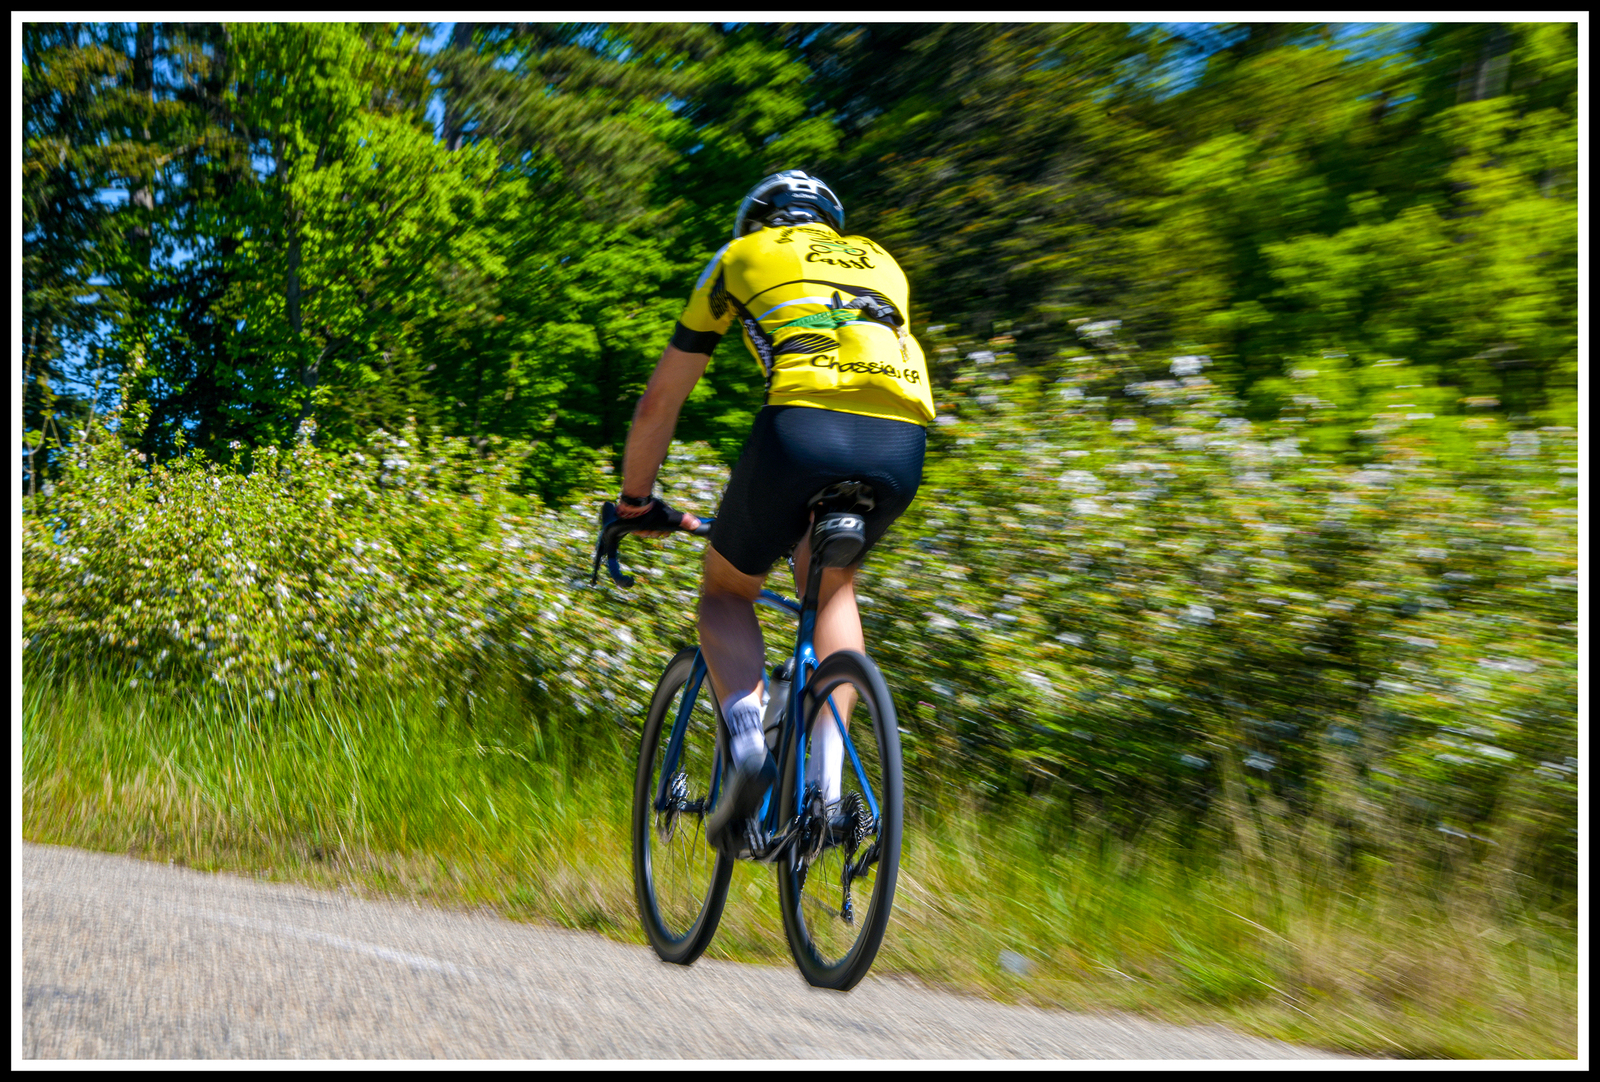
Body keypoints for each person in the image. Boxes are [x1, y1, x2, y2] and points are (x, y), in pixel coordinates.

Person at [613, 170, 933, 849]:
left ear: (758, 220)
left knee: (727, 590)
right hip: (902, 442)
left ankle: (749, 747)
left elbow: (660, 402)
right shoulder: (882, 260)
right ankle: (827, 791)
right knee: (833, 584)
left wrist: (635, 502)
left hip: (803, 428)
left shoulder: (740, 255)